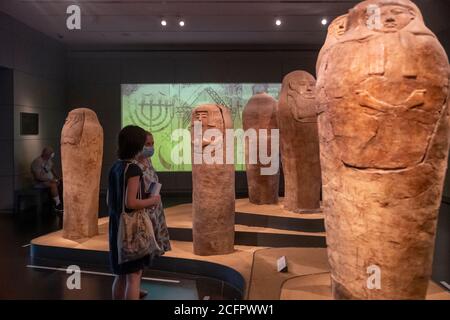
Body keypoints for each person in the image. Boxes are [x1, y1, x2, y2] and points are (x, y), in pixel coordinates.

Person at [107, 125, 161, 300]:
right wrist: (152, 200)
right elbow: (130, 203)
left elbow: (110, 200)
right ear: (137, 145)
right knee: (134, 276)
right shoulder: (133, 169)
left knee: (121, 275)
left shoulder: (115, 167)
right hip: (131, 229)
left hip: (116, 226)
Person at [133, 131, 171, 257]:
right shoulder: (132, 164)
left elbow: (152, 178)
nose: (151, 147)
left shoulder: (148, 160)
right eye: (147, 144)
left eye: (152, 143)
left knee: (157, 234)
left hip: (154, 203)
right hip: (143, 207)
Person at [30, 147, 63, 212]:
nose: (52, 155)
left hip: (49, 180)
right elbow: (38, 177)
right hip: (40, 182)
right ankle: (57, 204)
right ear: (46, 154)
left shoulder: (49, 160)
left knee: (60, 182)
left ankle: (61, 201)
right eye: (50, 153)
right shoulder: (37, 162)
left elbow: (53, 169)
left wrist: (59, 178)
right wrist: (50, 180)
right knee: (53, 184)